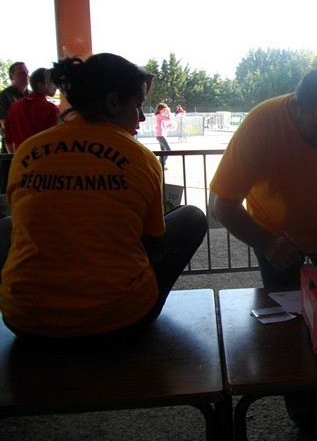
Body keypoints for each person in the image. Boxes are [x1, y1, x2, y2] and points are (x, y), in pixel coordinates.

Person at [211, 68, 317, 440]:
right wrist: (268, 243)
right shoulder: (261, 125)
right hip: (277, 240)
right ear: (295, 105)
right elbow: (223, 204)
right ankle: (302, 411)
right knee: (290, 326)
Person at [0, 53, 207, 343]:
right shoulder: (140, 157)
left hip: (24, 320)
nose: (142, 117)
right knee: (192, 217)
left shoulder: (27, 151)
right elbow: (151, 237)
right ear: (112, 102)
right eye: (138, 105)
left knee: (7, 225)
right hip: (121, 320)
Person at [4, 67, 59, 153]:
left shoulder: (14, 106)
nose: (56, 86)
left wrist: (14, 157)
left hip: (21, 158)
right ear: (40, 86)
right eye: (52, 83)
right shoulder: (50, 109)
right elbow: (55, 141)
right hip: (42, 158)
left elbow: (7, 139)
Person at [0, 62, 30, 194]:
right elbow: (6, 124)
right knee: (9, 183)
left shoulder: (31, 95)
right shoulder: (4, 96)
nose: (26, 76)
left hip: (29, 144)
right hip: (11, 145)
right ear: (12, 77)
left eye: (27, 72)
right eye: (22, 73)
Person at [154, 102, 172, 169]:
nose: (165, 111)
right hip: (160, 136)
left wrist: (168, 126)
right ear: (160, 109)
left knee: (163, 151)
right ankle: (161, 164)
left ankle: (160, 165)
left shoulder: (160, 116)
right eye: (164, 109)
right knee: (168, 150)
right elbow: (169, 118)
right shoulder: (159, 116)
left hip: (161, 135)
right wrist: (169, 111)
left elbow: (163, 126)